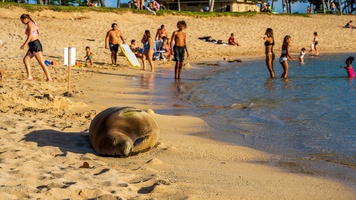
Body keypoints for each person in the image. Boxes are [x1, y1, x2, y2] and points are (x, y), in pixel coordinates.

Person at [20, 14, 52, 82]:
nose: (22, 22)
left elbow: (30, 35)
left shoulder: (30, 24)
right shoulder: (33, 23)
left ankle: (49, 78)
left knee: (41, 62)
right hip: (32, 44)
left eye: (22, 20)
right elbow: (37, 32)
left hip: (35, 44)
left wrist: (24, 44)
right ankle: (29, 76)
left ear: (25, 19)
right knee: (26, 59)